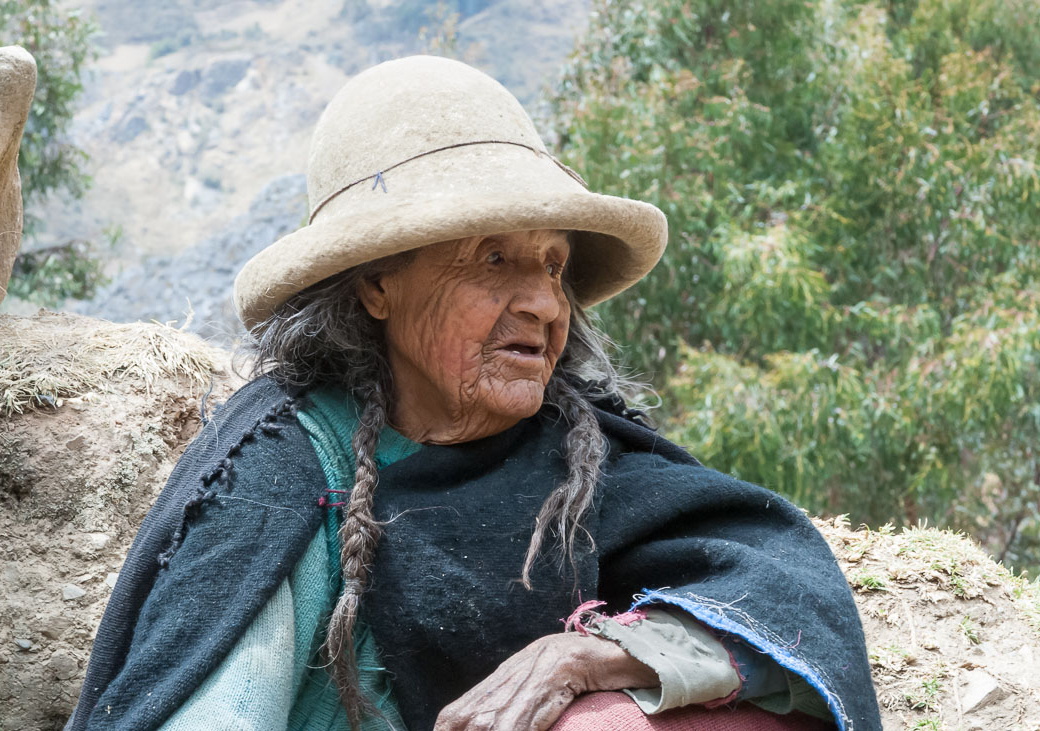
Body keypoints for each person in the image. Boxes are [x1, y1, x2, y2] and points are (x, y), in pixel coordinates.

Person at [64, 55, 880, 731]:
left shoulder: (586, 463)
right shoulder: (287, 474)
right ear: (377, 285)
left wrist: (585, 652)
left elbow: (782, 606)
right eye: (494, 260)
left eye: (554, 265)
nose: (543, 302)